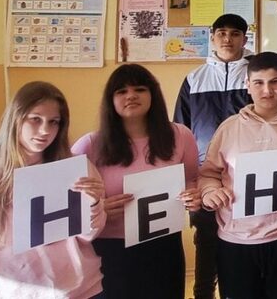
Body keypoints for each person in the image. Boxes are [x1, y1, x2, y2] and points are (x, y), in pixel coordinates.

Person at [0, 81, 107, 298]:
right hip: (15, 291)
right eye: (35, 119)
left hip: (80, 289)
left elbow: (86, 237)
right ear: (16, 119)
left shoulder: (73, 169)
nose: (45, 130)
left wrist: (93, 204)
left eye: (53, 122)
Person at [199, 52, 277, 298]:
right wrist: (210, 191)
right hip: (237, 241)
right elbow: (209, 173)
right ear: (247, 84)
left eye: (275, 81)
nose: (267, 91)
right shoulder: (229, 128)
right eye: (258, 83)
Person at [72, 64, 201, 298]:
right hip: (110, 249)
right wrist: (98, 209)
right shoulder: (89, 145)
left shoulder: (181, 135)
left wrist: (193, 197)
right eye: (121, 91)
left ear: (153, 94)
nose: (131, 95)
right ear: (110, 100)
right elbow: (68, 205)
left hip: (164, 244)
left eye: (140, 89)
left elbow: (192, 179)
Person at [173, 12, 252, 299]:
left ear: (245, 39)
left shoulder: (256, 76)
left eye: (235, 33)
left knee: (243, 241)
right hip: (204, 175)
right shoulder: (194, 79)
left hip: (246, 176)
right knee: (205, 239)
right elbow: (180, 128)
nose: (228, 39)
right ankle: (203, 293)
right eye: (222, 33)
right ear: (213, 37)